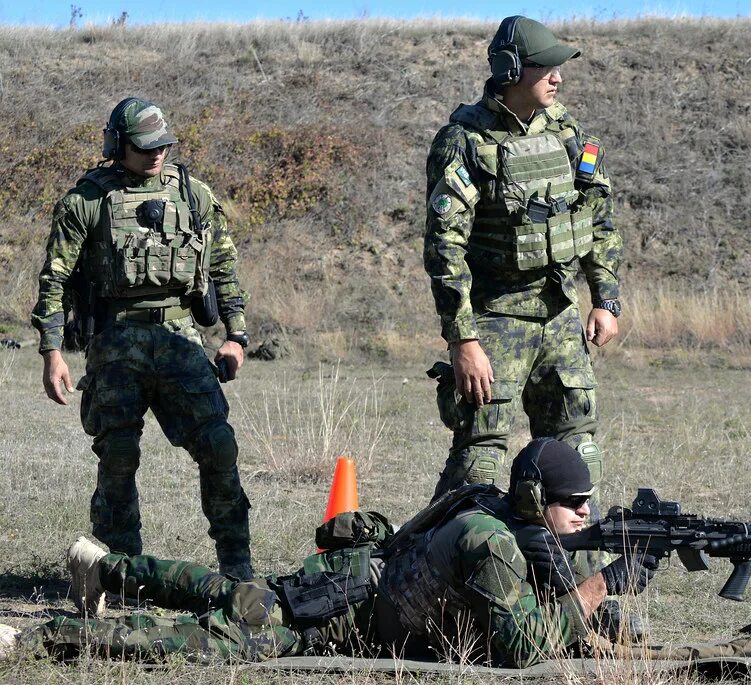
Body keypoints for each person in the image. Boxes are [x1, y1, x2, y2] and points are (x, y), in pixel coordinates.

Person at [1, 439, 658, 667]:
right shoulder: (493, 541)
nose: (585, 514)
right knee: (209, 637)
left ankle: (102, 565)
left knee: (229, 591)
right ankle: (37, 638)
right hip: (332, 618)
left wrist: (605, 618)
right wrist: (600, 588)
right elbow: (523, 647)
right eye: (575, 501)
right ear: (537, 496)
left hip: (353, 581)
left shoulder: (510, 522)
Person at [29, 97, 254, 580]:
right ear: (118, 145)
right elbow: (55, 279)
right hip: (116, 342)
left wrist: (235, 334)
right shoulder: (86, 201)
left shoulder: (193, 194)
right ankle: (120, 575)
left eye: (163, 146)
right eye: (144, 147)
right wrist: (52, 352)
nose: (156, 156)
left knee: (218, 444)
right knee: (118, 457)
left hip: (179, 337)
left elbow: (223, 265)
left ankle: (239, 571)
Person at [423, 16, 623, 514]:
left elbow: (597, 215)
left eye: (559, 68)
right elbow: (443, 246)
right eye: (545, 67)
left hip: (559, 315)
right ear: (510, 69)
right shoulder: (464, 141)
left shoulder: (569, 133)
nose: (557, 77)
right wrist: (463, 339)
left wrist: (605, 298)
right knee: (479, 461)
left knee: (577, 455)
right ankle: (439, 578)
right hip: (495, 319)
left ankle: (580, 584)